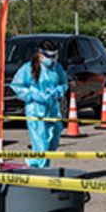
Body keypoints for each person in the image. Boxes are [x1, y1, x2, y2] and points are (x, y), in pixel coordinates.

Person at [10, 40, 70, 169]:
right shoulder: (28, 68)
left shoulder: (57, 67)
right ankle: (42, 171)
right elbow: (16, 85)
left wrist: (58, 91)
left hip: (53, 109)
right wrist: (32, 95)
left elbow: (64, 83)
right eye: (50, 56)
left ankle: (33, 163)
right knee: (41, 144)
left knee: (53, 140)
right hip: (36, 110)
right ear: (41, 55)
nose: (53, 59)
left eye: (55, 56)